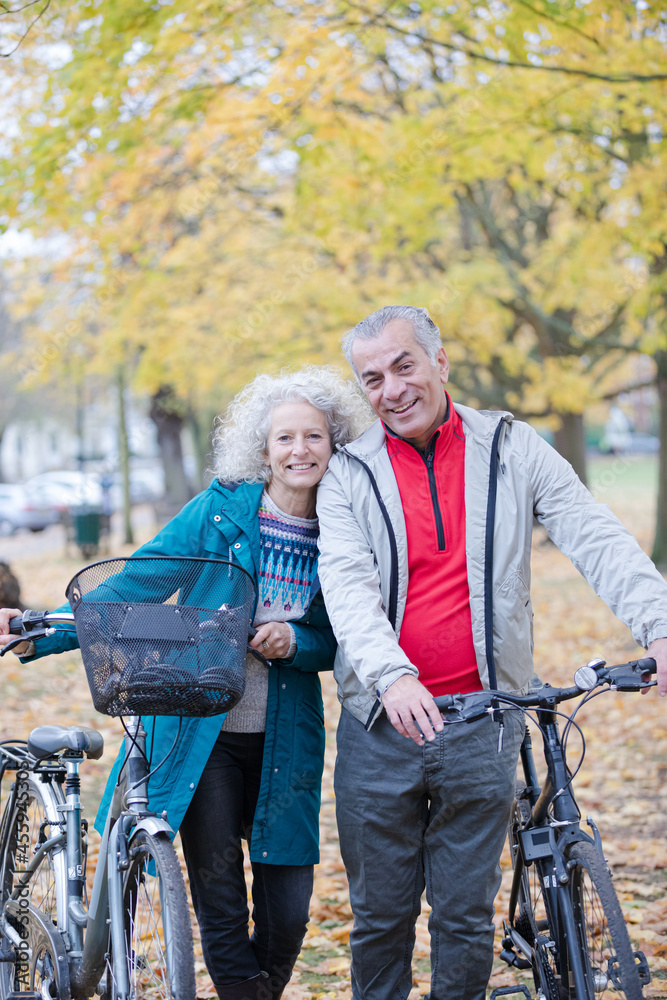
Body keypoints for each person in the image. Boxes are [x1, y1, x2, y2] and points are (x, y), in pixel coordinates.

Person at [315, 305, 667, 1000]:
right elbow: (346, 586)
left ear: (439, 362)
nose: (391, 390)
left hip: (484, 719)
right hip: (379, 727)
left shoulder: (511, 446)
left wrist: (657, 624)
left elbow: (590, 533)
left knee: (465, 917)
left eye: (403, 366)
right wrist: (391, 677)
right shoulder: (347, 474)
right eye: (372, 378)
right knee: (380, 920)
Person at [0, 366, 367, 1000]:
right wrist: (46, 630)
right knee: (219, 899)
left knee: (289, 910)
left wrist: (297, 642)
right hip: (198, 726)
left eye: (314, 437)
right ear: (263, 449)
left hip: (288, 735)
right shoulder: (221, 511)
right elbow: (135, 586)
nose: (299, 450)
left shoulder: (347, 524)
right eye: (285, 438)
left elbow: (352, 634)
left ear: (335, 444)